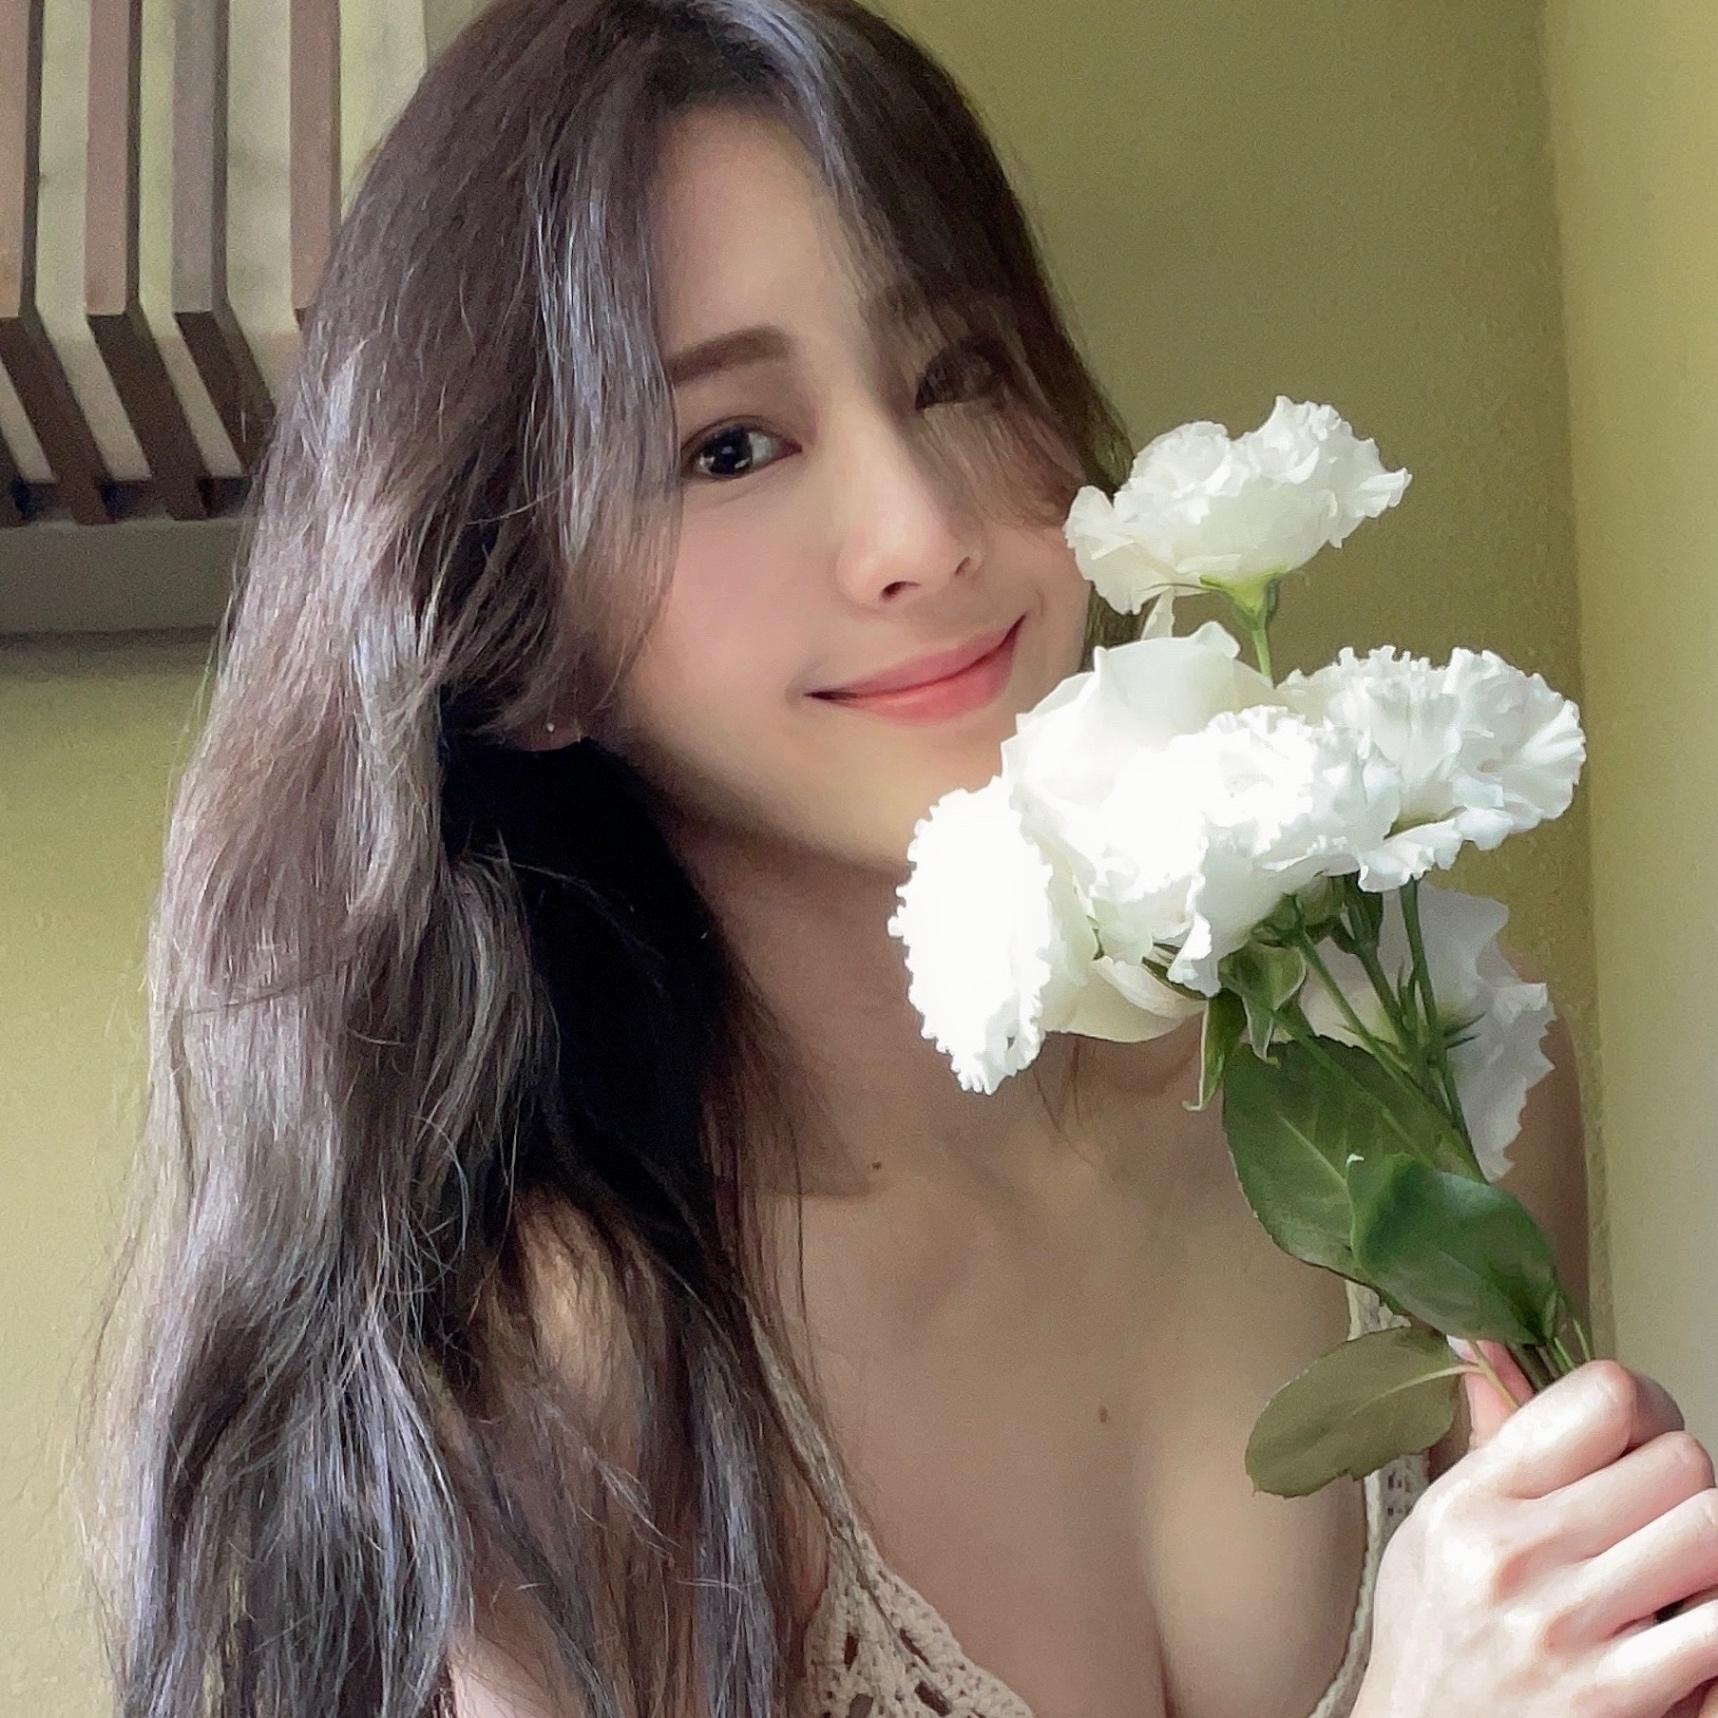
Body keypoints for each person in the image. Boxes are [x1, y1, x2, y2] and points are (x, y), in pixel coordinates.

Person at [74, 2, 1718, 1716]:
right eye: (727, 446)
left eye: (955, 373)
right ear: (523, 629)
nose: (922, 534)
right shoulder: (540, 1382)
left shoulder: (1433, 1097)